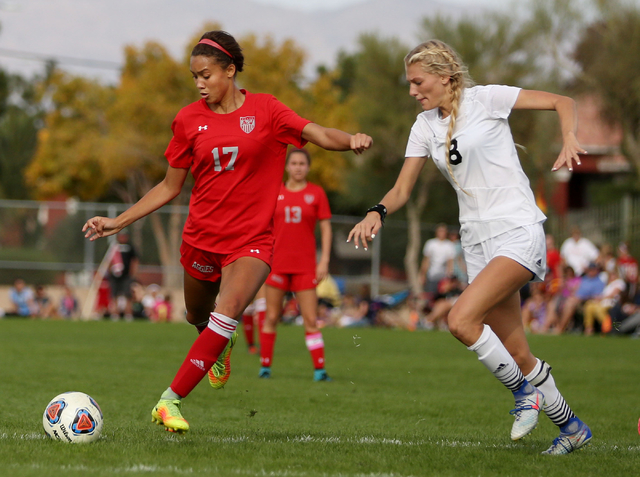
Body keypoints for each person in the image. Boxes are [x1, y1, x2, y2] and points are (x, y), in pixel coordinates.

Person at [82, 30, 372, 434]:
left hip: (252, 242)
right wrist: (117, 221)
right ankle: (219, 346)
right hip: (201, 239)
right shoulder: (187, 120)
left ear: (230, 70)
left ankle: (169, 401)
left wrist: (350, 140)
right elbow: (169, 187)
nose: (200, 84)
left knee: (229, 311)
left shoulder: (267, 110)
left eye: (206, 75)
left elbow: (318, 134)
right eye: (194, 77)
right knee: (197, 316)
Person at [347, 40, 590, 455]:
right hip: (476, 242)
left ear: (446, 76)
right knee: (517, 351)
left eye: (417, 81)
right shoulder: (424, 125)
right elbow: (402, 188)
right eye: (409, 83)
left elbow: (561, 100)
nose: (412, 91)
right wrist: (377, 212)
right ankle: (572, 428)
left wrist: (569, 137)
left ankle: (523, 395)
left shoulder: (487, 99)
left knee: (460, 320)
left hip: (516, 229)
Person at [259, 148, 333, 381]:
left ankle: (319, 371)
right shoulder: (274, 192)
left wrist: (324, 260)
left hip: (305, 266)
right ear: (287, 167)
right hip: (277, 264)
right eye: (294, 163)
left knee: (311, 319)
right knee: (272, 317)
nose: (298, 167)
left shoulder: (316, 193)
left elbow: (326, 227)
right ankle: (265, 367)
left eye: (302, 163)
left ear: (308, 167)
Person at [553, 262, 605, 334]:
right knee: (556, 302)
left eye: (593, 270)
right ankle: (550, 326)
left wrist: (581, 298)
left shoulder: (598, 282)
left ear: (597, 270)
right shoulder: (584, 279)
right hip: (575, 298)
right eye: (590, 270)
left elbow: (597, 297)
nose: (591, 271)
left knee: (570, 304)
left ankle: (560, 329)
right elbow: (577, 289)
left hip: (585, 302)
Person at [107, 230, 139, 320]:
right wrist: (109, 271)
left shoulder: (130, 247)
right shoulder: (113, 247)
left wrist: (133, 273)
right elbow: (108, 260)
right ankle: (115, 314)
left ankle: (128, 314)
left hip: (126, 276)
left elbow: (135, 260)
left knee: (127, 295)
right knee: (114, 295)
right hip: (114, 276)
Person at [420, 223, 455, 296]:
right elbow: (426, 260)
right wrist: (422, 274)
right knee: (430, 295)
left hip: (443, 276)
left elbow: (450, 262)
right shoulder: (430, 243)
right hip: (431, 275)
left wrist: (449, 276)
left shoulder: (449, 245)